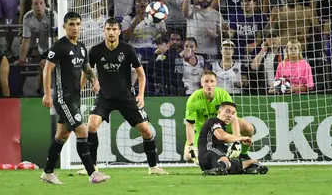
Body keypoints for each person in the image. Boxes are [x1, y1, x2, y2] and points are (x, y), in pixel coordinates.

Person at [87, 17, 168, 175]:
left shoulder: (128, 49)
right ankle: (92, 167)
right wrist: (93, 81)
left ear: (119, 31)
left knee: (146, 131)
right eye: (108, 29)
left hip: (126, 97)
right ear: (104, 31)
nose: (111, 32)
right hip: (105, 96)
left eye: (114, 29)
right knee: (91, 126)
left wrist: (141, 95)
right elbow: (88, 71)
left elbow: (141, 75)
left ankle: (153, 167)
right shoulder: (95, 51)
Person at [41, 12, 104, 185]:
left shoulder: (82, 47)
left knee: (62, 135)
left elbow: (86, 67)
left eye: (77, 24)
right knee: (82, 131)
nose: (75, 28)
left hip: (75, 97)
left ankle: (47, 173)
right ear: (64, 27)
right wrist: (47, 93)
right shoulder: (59, 46)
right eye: (71, 24)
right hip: (63, 97)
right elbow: (47, 69)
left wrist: (94, 80)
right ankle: (93, 173)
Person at [184, 70, 254, 164]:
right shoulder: (193, 99)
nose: (209, 84)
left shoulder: (223, 95)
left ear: (216, 83)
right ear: (201, 83)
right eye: (206, 81)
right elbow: (190, 125)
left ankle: (244, 155)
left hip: (222, 126)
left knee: (248, 128)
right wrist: (191, 146)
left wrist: (237, 141)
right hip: (202, 130)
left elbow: (233, 118)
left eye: (212, 81)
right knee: (188, 157)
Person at [198, 102, 268, 176]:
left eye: (233, 113)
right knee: (225, 159)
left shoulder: (223, 127)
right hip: (207, 156)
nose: (230, 115)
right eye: (227, 111)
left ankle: (252, 168)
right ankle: (219, 168)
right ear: (219, 112)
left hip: (219, 158)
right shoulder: (213, 121)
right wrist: (241, 138)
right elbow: (221, 136)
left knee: (251, 162)